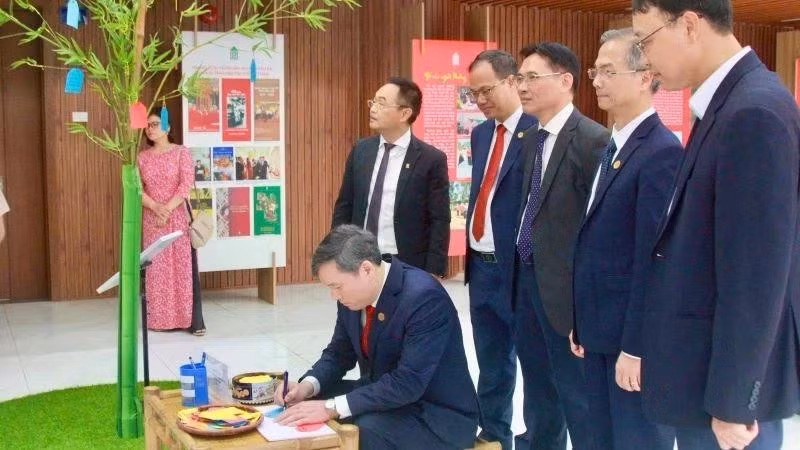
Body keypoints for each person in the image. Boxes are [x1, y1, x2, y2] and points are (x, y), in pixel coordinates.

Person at [631, 1, 800, 449]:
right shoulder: (727, 105)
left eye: (646, 39)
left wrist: (734, 401)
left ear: (688, 24)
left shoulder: (753, 112)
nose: (644, 57)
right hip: (700, 377)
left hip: (726, 404)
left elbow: (756, 276)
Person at [569, 28, 681, 450]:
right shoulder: (613, 145)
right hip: (598, 332)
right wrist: (580, 321)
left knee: (636, 440)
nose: (596, 80)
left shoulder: (660, 151)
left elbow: (654, 259)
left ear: (644, 76)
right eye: (596, 71)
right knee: (600, 438)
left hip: (630, 344)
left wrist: (637, 348)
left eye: (609, 71)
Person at [273, 225, 479, 449]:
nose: (334, 295)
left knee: (366, 427)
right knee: (309, 401)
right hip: (388, 397)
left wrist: (331, 407)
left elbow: (407, 383)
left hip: (435, 415)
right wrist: (307, 387)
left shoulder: (424, 298)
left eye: (336, 286)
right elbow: (339, 353)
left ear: (366, 270)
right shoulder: (353, 297)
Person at [513, 42, 609, 450]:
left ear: (566, 81)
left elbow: (598, 230)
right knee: (537, 388)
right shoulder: (530, 138)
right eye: (519, 78)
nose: (522, 87)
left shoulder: (592, 140)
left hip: (567, 295)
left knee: (577, 396)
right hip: (527, 281)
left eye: (532, 77)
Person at [464, 49, 537, 450]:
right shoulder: (480, 134)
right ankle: (494, 435)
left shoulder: (536, 131)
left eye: (486, 90)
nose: (480, 100)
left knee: (532, 361)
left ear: (512, 81)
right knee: (491, 361)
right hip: (482, 267)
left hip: (520, 269)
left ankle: (537, 439)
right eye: (474, 93)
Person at [331, 77, 450, 277]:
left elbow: (439, 220)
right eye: (373, 102)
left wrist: (434, 271)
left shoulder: (431, 159)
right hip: (358, 260)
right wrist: (337, 252)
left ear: (404, 113)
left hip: (406, 263)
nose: (373, 108)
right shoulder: (361, 150)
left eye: (381, 103)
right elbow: (344, 206)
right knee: (352, 308)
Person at [138, 111, 205, 335]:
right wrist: (156, 207)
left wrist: (166, 208)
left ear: (167, 127)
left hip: (176, 218)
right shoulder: (142, 157)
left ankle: (185, 319)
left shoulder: (181, 153)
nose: (150, 128)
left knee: (180, 268)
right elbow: (138, 190)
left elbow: (185, 185)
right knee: (157, 269)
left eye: (155, 124)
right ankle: (158, 320)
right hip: (152, 220)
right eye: (148, 125)